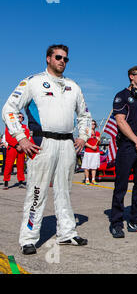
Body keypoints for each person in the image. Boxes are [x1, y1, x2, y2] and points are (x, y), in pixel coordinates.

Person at [2, 44, 92, 255]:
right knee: (37, 192)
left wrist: (83, 136)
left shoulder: (73, 86)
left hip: (67, 144)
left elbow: (85, 115)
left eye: (65, 59)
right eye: (58, 57)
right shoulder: (33, 82)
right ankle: (28, 239)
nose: (62, 61)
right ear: (48, 59)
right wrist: (21, 137)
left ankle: (67, 233)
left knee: (64, 192)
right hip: (42, 143)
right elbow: (9, 108)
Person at [109, 65, 137, 238]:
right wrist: (136, 141)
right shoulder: (122, 96)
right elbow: (120, 121)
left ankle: (135, 220)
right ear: (131, 76)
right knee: (121, 186)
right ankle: (116, 222)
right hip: (128, 146)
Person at [3, 113, 31, 190]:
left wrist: (23, 146)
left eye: (22, 117)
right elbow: (8, 137)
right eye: (19, 117)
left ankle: (21, 181)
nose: (21, 118)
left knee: (21, 165)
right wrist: (16, 145)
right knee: (9, 165)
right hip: (12, 148)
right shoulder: (10, 126)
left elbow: (27, 136)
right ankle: (6, 182)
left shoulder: (24, 127)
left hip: (21, 148)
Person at [82, 120, 101, 185]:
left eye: (94, 124)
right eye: (92, 124)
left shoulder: (97, 133)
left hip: (96, 152)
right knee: (86, 166)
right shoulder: (86, 132)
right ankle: (87, 179)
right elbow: (84, 142)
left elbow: (99, 143)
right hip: (88, 151)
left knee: (94, 166)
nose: (93, 125)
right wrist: (91, 147)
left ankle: (93, 179)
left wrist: (98, 140)